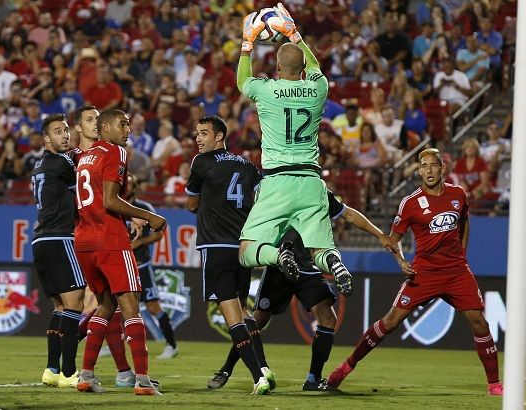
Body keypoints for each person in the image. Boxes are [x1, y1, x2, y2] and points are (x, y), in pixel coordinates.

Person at [326, 148, 504, 396]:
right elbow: (392, 239)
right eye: (423, 166)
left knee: (480, 323)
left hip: (456, 272)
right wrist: (400, 260)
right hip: (424, 272)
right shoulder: (410, 203)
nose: (428, 171)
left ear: (442, 169)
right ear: (419, 171)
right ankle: (345, 367)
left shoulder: (458, 194)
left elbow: (464, 222)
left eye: (432, 166)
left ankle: (494, 384)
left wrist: (462, 255)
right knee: (391, 321)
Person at [208, 189, 397, 392]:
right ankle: (226, 369)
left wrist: (379, 234)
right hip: (280, 266)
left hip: (307, 265)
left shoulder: (319, 192)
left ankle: (313, 379)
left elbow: (348, 214)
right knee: (256, 320)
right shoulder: (278, 188)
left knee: (328, 318)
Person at [237, 3, 353, 302]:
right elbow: (315, 68)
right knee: (320, 251)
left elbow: (242, 82)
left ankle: (279, 257)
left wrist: (248, 44)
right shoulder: (318, 88)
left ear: (277, 67)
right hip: (312, 182)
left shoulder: (266, 90)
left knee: (247, 250)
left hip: (278, 181)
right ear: (302, 68)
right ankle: (334, 262)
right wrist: (295, 35)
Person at [74, 108, 166, 396]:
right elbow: (111, 201)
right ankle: (142, 380)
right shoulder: (116, 151)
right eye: (122, 124)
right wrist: (147, 215)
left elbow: (101, 197)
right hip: (110, 239)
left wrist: (132, 215)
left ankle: (86, 375)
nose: (128, 130)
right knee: (130, 306)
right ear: (105, 128)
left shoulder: (86, 155)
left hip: (85, 239)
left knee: (104, 305)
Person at [185, 115, 273, 395]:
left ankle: (258, 376)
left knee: (232, 316)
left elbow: (190, 204)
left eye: (204, 133)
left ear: (219, 136)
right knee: (245, 311)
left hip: (216, 246)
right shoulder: (248, 165)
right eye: (196, 133)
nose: (198, 138)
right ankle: (264, 367)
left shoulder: (201, 163)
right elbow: (261, 200)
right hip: (243, 247)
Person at [32, 113, 86, 389]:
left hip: (41, 241)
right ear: (46, 139)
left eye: (66, 130)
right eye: (57, 132)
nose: (64, 135)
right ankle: (69, 372)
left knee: (60, 306)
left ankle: (52, 369)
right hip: (61, 238)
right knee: (75, 303)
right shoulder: (62, 163)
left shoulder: (40, 164)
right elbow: (86, 186)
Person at [126, 173, 178, 358]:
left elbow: (158, 234)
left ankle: (171, 345)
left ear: (135, 188)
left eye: (129, 184)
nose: (125, 186)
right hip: (123, 265)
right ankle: (113, 344)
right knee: (117, 308)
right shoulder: (115, 205)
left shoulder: (144, 208)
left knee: (153, 307)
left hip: (141, 265)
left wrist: (140, 243)